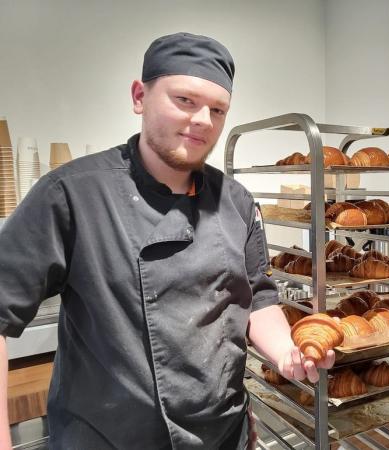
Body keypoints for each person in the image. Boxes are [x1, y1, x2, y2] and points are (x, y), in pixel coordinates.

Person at [0, 32, 332, 449]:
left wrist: (287, 353)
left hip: (221, 436)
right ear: (140, 96)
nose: (203, 121)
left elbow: (259, 298)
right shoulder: (72, 195)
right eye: (185, 101)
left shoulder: (237, 202)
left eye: (217, 109)